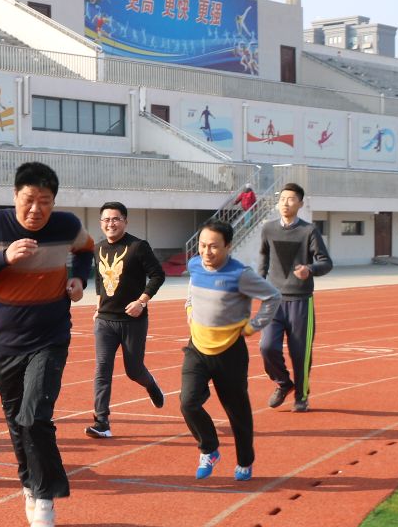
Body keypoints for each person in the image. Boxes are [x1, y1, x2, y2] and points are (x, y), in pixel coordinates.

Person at [0, 162, 93, 527]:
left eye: (44, 201)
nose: (36, 209)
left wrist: (79, 279)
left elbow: (85, 250)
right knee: (17, 421)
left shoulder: (66, 225)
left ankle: (45, 497)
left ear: (54, 202)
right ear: (15, 196)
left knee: (35, 415)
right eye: (29, 200)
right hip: (4, 341)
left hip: (50, 337)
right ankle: (29, 483)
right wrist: (4, 257)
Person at [183, 219, 281, 481]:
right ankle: (209, 449)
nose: (206, 252)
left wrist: (253, 326)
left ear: (228, 246)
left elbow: (273, 297)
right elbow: (192, 287)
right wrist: (189, 307)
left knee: (237, 412)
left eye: (214, 246)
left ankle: (245, 461)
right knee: (188, 403)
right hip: (197, 347)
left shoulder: (241, 274)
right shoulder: (194, 265)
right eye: (202, 245)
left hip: (229, 352)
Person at [86, 202, 166, 439]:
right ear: (101, 223)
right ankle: (102, 421)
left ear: (125, 221)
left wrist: (142, 301)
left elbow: (157, 275)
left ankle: (150, 384)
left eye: (115, 219)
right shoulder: (98, 248)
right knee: (102, 368)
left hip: (133, 320)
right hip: (105, 321)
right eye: (106, 220)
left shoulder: (138, 246)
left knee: (134, 370)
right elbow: (100, 280)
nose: (110, 223)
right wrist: (98, 306)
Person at [258, 182, 333, 413]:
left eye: (291, 199)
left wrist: (309, 269)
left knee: (300, 353)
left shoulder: (309, 231)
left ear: (300, 204)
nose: (285, 203)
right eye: (282, 199)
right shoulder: (268, 229)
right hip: (274, 300)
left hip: (301, 301)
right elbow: (263, 260)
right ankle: (283, 383)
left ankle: (301, 396)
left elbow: (326, 262)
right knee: (267, 347)